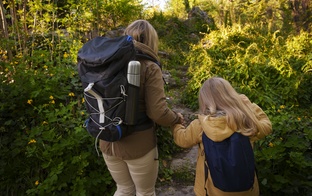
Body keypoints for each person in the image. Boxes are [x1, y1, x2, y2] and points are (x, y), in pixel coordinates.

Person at [100, 19, 183, 196]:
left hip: (107, 139)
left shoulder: (108, 61)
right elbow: (158, 113)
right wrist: (176, 118)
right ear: (152, 41)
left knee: (123, 189)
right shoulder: (150, 66)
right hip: (138, 144)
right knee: (144, 192)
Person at [172, 77, 272, 196]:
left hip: (210, 190)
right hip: (246, 190)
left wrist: (176, 124)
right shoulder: (245, 121)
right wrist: (246, 104)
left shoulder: (201, 125)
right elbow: (266, 126)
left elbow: (182, 139)